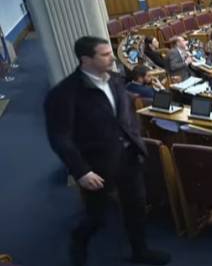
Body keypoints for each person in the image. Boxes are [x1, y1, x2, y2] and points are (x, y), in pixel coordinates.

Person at [45, 36, 170, 266]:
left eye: (110, 53)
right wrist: (81, 171)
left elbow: (126, 112)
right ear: (86, 59)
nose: (112, 57)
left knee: (136, 207)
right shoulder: (64, 93)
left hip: (128, 157)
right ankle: (78, 245)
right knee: (97, 217)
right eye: (105, 54)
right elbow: (60, 137)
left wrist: (135, 137)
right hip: (97, 165)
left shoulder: (116, 80)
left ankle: (140, 251)